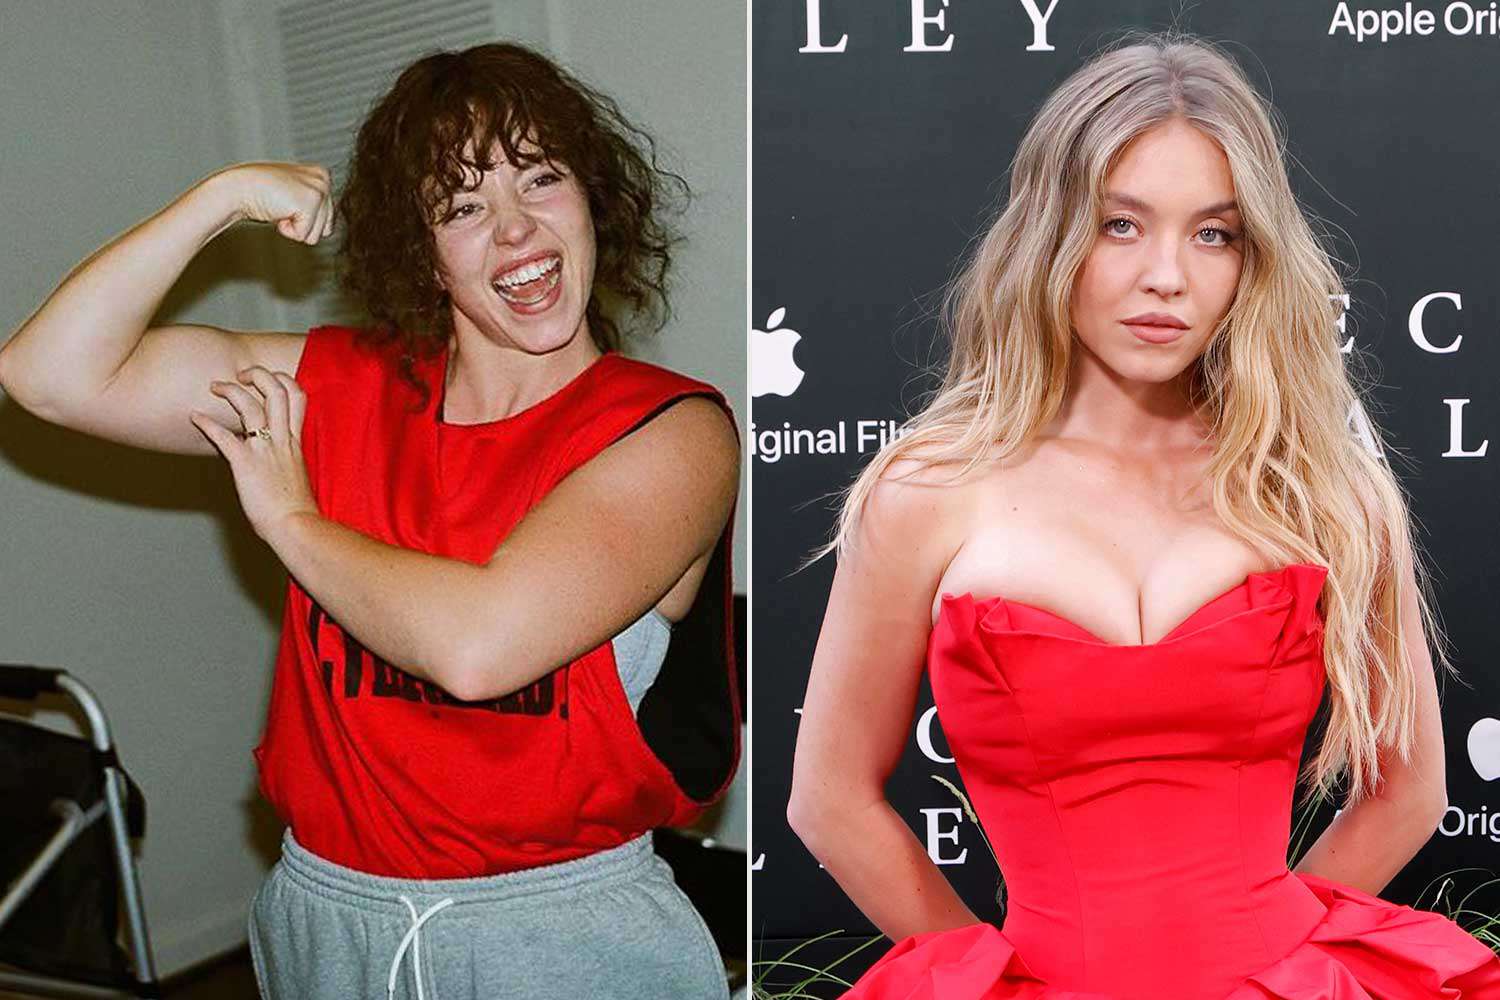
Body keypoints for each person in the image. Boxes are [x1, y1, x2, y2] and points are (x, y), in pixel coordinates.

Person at [0, 43, 740, 1000]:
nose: (515, 230)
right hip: (326, 918)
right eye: (462, 207)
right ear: (422, 255)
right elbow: (47, 375)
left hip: (556, 934)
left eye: (541, 179)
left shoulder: (672, 429)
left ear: (594, 199)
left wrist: (290, 517)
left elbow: (480, 648)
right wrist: (216, 199)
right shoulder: (338, 386)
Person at [785, 31, 1500, 999]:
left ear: (1253, 258)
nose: (1167, 275)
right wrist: (994, 985)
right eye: (1121, 224)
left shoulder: (1324, 488)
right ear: (1050, 232)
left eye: (1214, 232)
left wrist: (1271, 976)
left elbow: (1409, 790)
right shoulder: (926, 491)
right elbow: (829, 799)